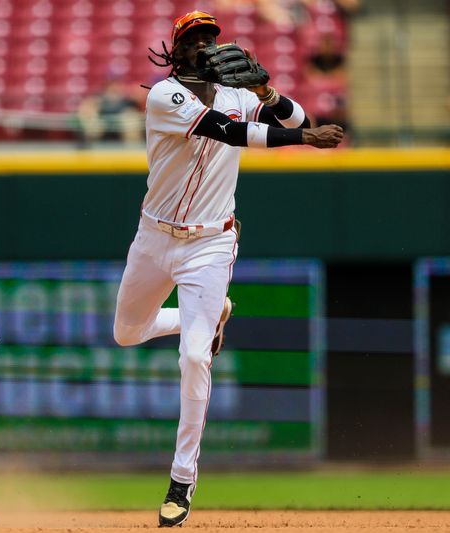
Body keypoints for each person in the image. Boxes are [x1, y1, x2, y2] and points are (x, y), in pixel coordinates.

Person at [112, 11, 343, 528]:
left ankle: (181, 480)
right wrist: (303, 141)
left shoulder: (240, 95)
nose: (207, 47)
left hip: (210, 245)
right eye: (195, 40)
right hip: (154, 238)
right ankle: (215, 314)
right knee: (126, 334)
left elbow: (295, 117)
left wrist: (265, 88)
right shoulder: (164, 96)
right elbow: (229, 133)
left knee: (194, 357)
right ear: (177, 51)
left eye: (212, 39)